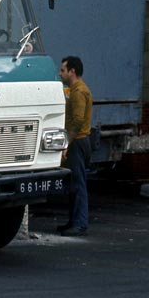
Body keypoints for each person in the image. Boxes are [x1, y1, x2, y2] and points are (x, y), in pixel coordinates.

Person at [57, 56, 93, 237]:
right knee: (73, 184)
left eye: (63, 70)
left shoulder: (79, 92)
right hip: (78, 141)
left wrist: (67, 144)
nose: (60, 73)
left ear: (72, 71)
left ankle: (80, 223)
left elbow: (77, 121)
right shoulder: (74, 90)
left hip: (78, 141)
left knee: (78, 184)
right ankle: (74, 221)